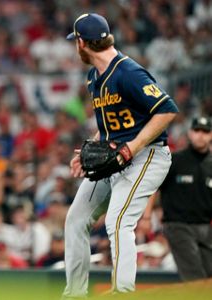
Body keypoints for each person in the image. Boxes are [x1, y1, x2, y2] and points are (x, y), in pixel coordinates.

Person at [63, 13, 179, 298]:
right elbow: (106, 130)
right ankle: (75, 293)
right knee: (76, 220)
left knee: (118, 220)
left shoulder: (129, 72)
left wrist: (133, 148)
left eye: (75, 41)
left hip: (148, 155)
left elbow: (167, 110)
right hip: (115, 155)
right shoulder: (94, 76)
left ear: (82, 43)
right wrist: (87, 150)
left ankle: (123, 292)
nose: (75, 46)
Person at [158, 116, 212, 281]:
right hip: (178, 224)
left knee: (209, 277)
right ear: (190, 133)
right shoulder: (175, 160)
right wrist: (146, 216)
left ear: (211, 135)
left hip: (205, 226)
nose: (200, 135)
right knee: (195, 277)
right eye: (197, 131)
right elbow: (154, 186)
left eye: (205, 131)